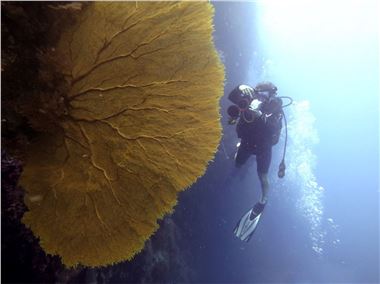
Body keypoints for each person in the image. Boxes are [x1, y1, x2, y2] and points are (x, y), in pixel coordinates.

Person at [227, 82, 283, 221]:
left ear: (271, 96)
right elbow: (231, 97)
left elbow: (274, 129)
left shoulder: (275, 108)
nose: (261, 98)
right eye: (259, 94)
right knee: (238, 163)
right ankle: (239, 161)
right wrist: (239, 87)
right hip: (247, 141)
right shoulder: (249, 99)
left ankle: (263, 201)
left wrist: (261, 116)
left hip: (263, 147)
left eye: (265, 95)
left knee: (262, 176)